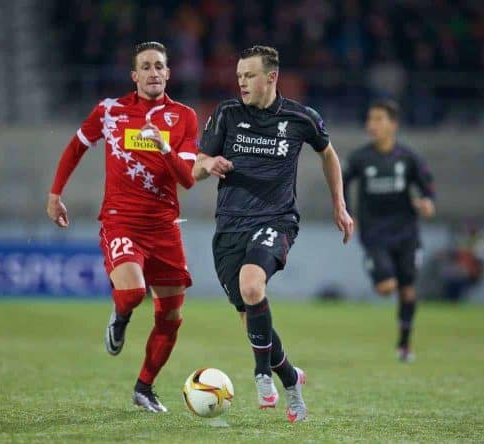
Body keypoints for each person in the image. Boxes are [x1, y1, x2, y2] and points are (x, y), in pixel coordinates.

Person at [192, 45, 354, 422]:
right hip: (229, 227)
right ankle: (291, 380)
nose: (241, 83)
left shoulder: (301, 118)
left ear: (271, 77)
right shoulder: (227, 114)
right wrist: (208, 164)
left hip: (276, 220)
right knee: (252, 316)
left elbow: (328, 154)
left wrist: (339, 204)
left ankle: (262, 374)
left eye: (249, 76)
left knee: (252, 286)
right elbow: (197, 168)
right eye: (238, 76)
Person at [47, 42, 198, 413]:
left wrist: (163, 146)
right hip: (121, 221)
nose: (153, 72)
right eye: (145, 66)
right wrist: (55, 194)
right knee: (132, 293)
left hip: (164, 226)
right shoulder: (110, 111)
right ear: (134, 76)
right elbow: (76, 147)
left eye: (159, 66)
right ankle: (121, 315)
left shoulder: (184, 117)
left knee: (171, 316)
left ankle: (144, 388)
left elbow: (189, 179)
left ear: (168, 73)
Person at [343, 99, 435, 362]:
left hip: (407, 232)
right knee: (386, 287)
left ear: (393, 124)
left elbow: (427, 186)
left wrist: (427, 202)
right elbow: (343, 183)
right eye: (370, 119)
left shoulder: (408, 157)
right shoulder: (360, 158)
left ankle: (404, 345)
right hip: (375, 234)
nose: (372, 125)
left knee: (407, 291)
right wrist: (347, 211)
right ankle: (379, 269)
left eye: (379, 119)